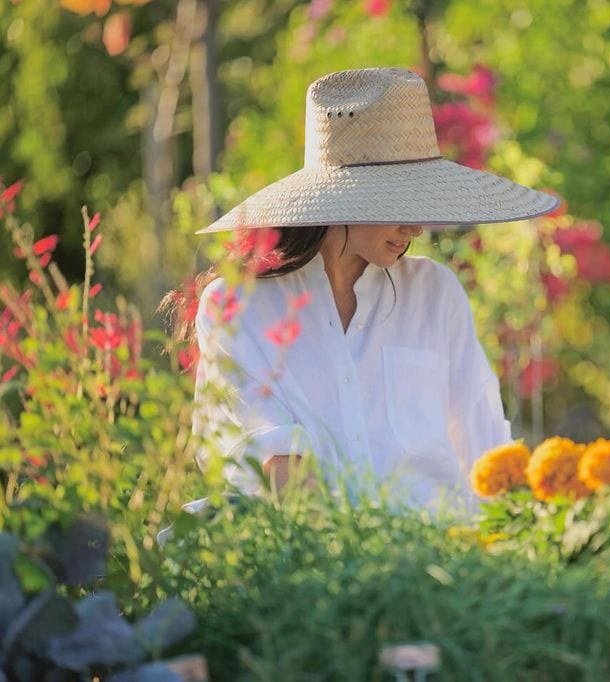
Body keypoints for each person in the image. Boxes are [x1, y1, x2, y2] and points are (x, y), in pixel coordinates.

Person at [182, 67, 559, 510]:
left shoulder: (435, 294)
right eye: (399, 203)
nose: (415, 225)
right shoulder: (237, 308)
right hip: (302, 561)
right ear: (342, 200)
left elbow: (487, 447)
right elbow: (276, 467)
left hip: (445, 560)